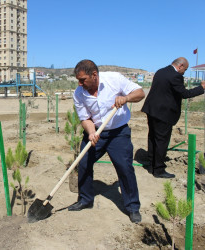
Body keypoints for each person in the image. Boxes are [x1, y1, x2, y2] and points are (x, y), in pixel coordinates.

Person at [69, 59, 145, 223]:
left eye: (83, 80)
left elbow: (140, 93)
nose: (80, 84)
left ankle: (132, 207)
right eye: (78, 80)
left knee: (124, 167)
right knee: (83, 162)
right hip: (96, 132)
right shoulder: (79, 93)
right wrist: (91, 132)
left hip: (118, 133)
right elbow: (85, 118)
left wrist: (126, 98)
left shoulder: (114, 79)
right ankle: (85, 199)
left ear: (94, 75)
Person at [141, 57, 205, 178]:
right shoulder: (175, 76)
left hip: (152, 110)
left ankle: (151, 164)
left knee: (153, 137)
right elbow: (185, 94)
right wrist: (201, 88)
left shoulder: (161, 71)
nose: (184, 72)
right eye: (184, 70)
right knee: (161, 140)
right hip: (163, 113)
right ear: (180, 66)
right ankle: (159, 169)